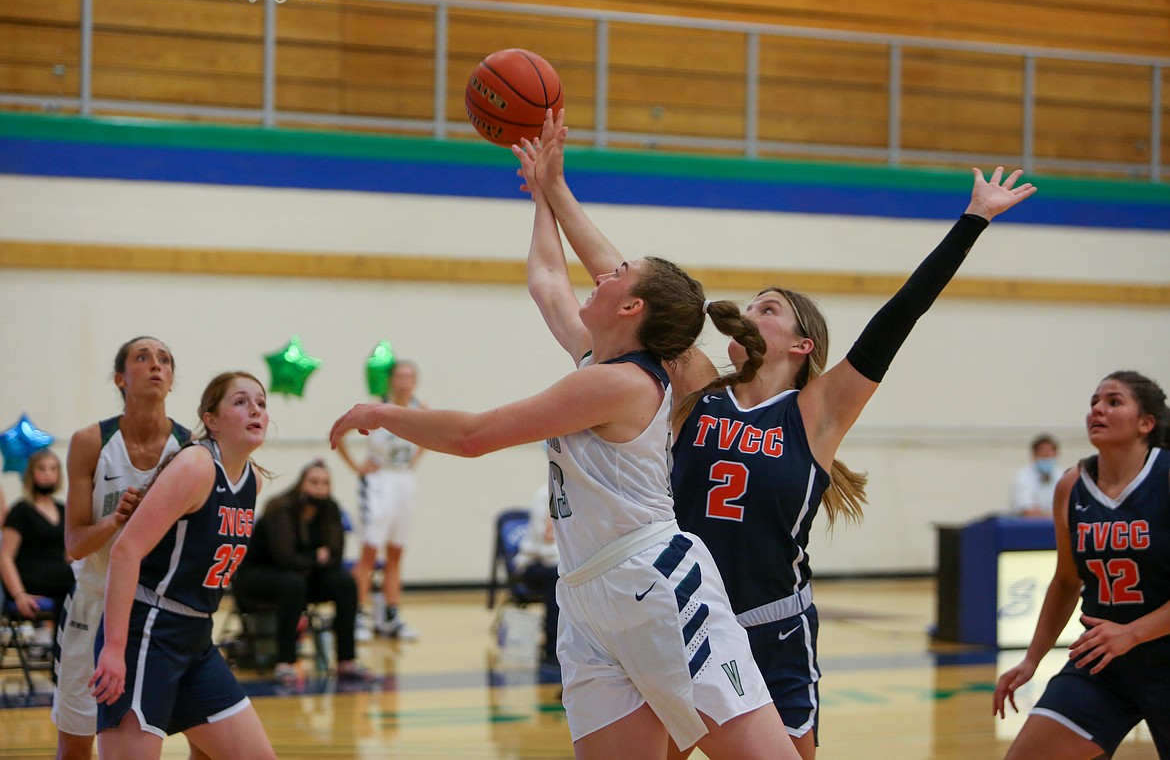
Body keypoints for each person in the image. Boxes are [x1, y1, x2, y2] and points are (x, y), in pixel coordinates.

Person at [514, 108, 1036, 759]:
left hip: (774, 631)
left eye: (769, 308)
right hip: (680, 617)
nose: (749, 312)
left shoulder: (817, 413)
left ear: (801, 343)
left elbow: (898, 316)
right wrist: (555, 190)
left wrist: (973, 221)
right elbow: (626, 284)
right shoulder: (698, 389)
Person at [334, 156, 798, 760]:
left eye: (618, 274)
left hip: (650, 579)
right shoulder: (594, 361)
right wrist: (541, 197)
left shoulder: (623, 384)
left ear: (632, 308)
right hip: (583, 592)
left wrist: (383, 414)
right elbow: (547, 281)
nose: (602, 274)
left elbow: (476, 435)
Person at [90, 371, 275, 760]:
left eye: (260, 402)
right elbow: (126, 551)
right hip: (147, 633)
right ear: (211, 419)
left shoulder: (252, 482)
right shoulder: (197, 465)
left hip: (196, 638)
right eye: (241, 401)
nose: (255, 409)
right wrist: (114, 647)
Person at [993, 370, 1170, 759]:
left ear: (1146, 423)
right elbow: (1067, 581)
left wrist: (1133, 633)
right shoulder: (1072, 486)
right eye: (1094, 402)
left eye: (1113, 402)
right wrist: (1031, 659)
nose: (1097, 410)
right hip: (1102, 663)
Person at [56, 336, 191, 760]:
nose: (156, 364)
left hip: (158, 611)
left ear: (171, 381)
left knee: (204, 738)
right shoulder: (91, 442)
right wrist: (116, 522)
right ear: (120, 378)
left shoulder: (190, 450)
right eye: (143, 357)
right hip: (94, 603)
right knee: (77, 746)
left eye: (165, 360)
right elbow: (74, 545)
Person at [232, 458, 367, 684]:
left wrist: (308, 561)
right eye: (314, 481)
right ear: (301, 483)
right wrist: (315, 557)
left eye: (325, 483)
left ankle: (346, 660)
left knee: (345, 583)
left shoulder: (330, 508)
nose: (319, 487)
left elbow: (335, 555)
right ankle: (286, 662)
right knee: (292, 583)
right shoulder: (281, 508)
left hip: (301, 577)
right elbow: (284, 558)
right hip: (257, 576)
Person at [336, 359, 425, 641]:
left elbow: (431, 437)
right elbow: (339, 434)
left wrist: (415, 459)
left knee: (397, 551)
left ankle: (390, 615)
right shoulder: (376, 406)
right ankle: (359, 615)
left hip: (403, 480)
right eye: (400, 376)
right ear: (390, 380)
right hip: (378, 481)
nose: (405, 381)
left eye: (410, 376)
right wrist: (356, 466)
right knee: (370, 551)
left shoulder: (420, 409)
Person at [0, 450, 73, 629]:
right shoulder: (21, 510)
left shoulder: (64, 510)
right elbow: (5, 557)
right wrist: (19, 594)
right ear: (31, 473)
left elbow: (70, 553)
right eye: (42, 469)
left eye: (53, 469)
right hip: (31, 578)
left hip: (60, 577)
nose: (48, 474)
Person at [513, 482, 560, 668]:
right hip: (534, 563)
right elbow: (546, 542)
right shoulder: (544, 494)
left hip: (562, 564)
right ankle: (551, 649)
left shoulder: (586, 491)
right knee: (557, 578)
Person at [1010, 433, 1062, 518]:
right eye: (1043, 454)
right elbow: (1027, 511)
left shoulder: (1062, 476)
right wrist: (1054, 515)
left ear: (1056, 454)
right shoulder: (1023, 476)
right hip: (1029, 527)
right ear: (1034, 455)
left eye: (1048, 455)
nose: (1046, 457)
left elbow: (1068, 509)